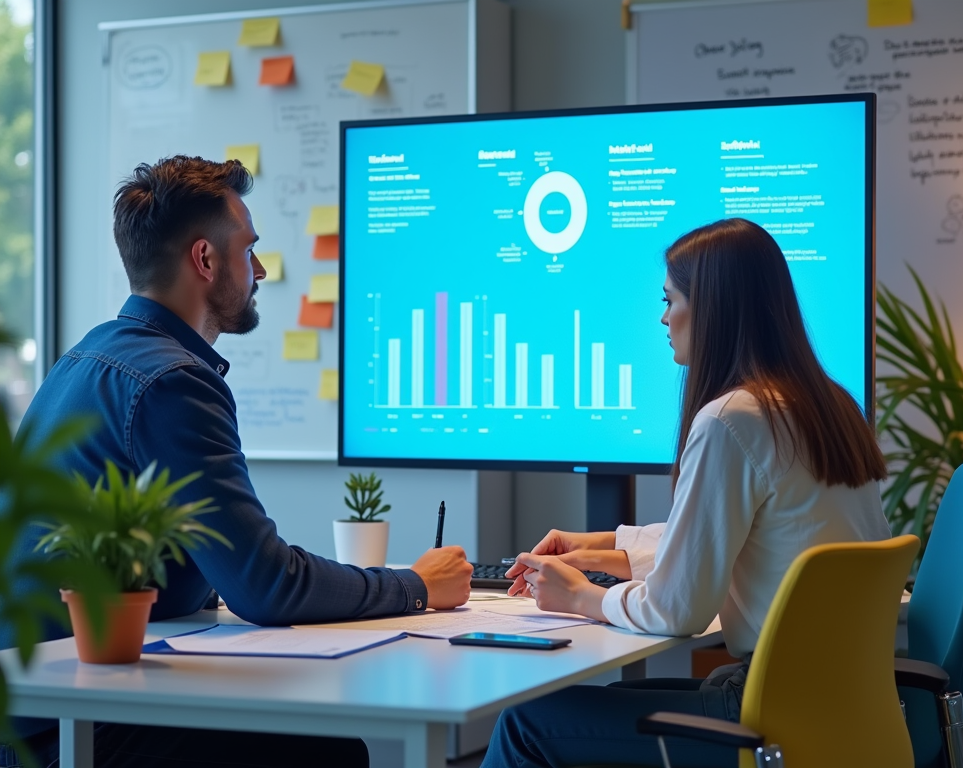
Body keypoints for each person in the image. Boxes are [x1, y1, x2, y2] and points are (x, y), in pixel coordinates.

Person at [7, 156, 473, 768]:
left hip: (41, 703)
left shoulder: (90, 356)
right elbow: (265, 584)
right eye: (248, 249)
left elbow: (230, 569)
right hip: (66, 729)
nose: (258, 269)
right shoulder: (171, 381)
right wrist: (416, 587)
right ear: (204, 260)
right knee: (329, 754)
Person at [484, 218, 892, 768]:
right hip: (844, 705)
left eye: (670, 298)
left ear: (714, 308)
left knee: (525, 725)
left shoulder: (732, 420)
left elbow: (680, 610)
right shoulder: (831, 406)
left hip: (766, 717)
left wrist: (581, 595)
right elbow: (747, 533)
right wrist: (613, 547)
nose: (663, 316)